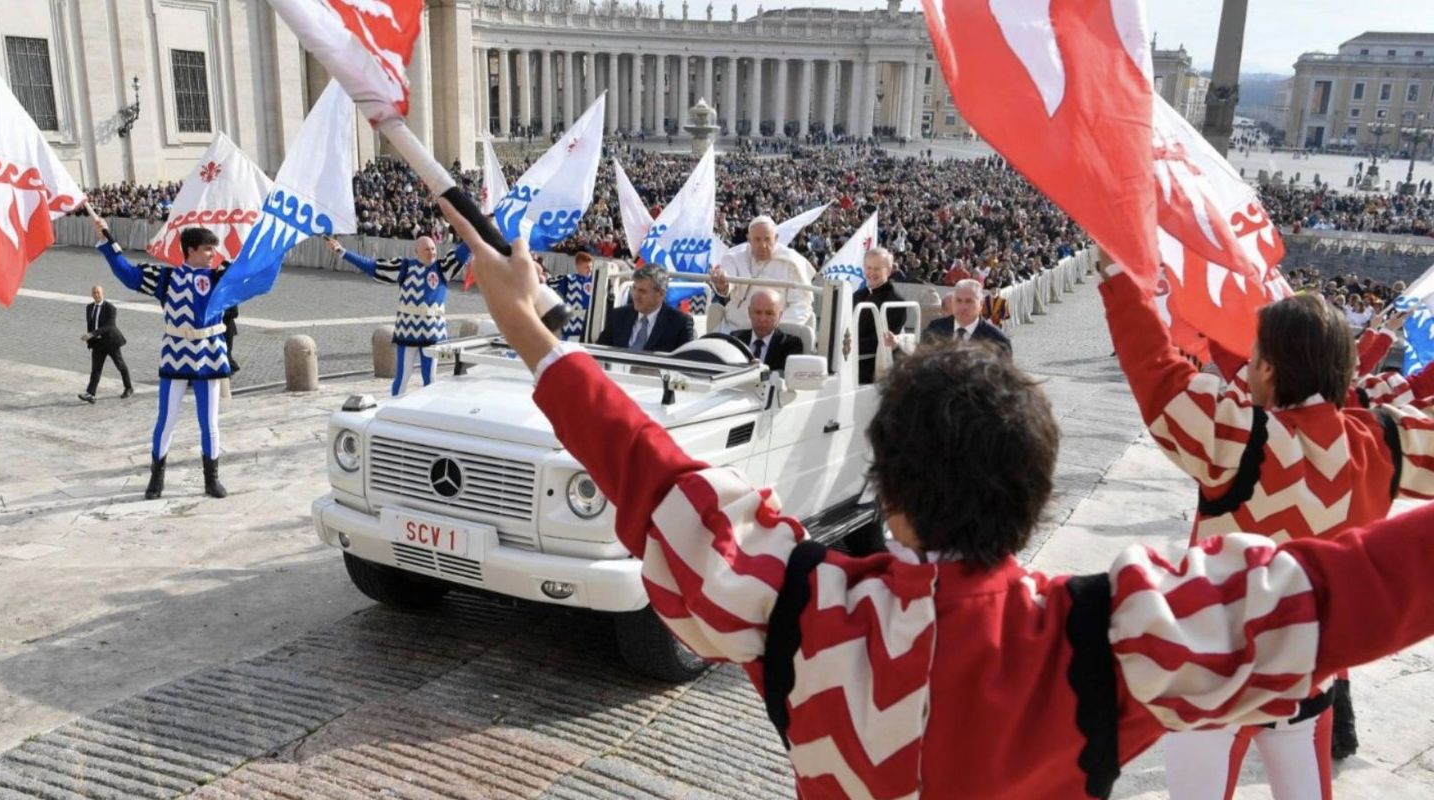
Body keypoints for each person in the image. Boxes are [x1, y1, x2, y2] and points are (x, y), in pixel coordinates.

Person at [439, 197, 1434, 798]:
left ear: (889, 492)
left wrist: (532, 325)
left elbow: (651, 470)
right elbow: (1356, 584)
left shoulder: (796, 609)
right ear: (1034, 495)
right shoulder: (1103, 641)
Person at [1099, 256, 1434, 798]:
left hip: (1217, 682)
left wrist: (1120, 277)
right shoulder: (1381, 443)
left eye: (1254, 355)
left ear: (1270, 369)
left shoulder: (1238, 437)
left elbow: (1159, 377)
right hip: (1309, 678)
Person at [93, 218, 230, 500]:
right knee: (166, 419)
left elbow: (254, 274)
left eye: (213, 249)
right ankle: (156, 478)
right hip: (176, 356)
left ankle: (211, 479)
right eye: (207, 249)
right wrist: (108, 241)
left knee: (210, 421)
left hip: (209, 354)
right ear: (190, 250)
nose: (212, 254)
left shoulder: (221, 276)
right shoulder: (167, 277)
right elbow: (129, 274)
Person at [328, 235, 465, 396]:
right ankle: (394, 409)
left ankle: (428, 413)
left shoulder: (443, 268)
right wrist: (343, 252)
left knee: (430, 379)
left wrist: (478, 227)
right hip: (408, 333)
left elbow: (463, 252)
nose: (431, 252)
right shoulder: (404, 267)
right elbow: (372, 266)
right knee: (402, 378)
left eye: (433, 248)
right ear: (417, 252)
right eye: (427, 249)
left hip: (433, 334)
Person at [709, 216, 816, 333]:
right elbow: (727, 280)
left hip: (777, 332)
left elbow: (801, 304)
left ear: (776, 239)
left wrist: (776, 331)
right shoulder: (735, 257)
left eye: (767, 239)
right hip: (736, 327)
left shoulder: (792, 262)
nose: (763, 245)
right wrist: (722, 282)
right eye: (757, 239)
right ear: (749, 239)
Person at [595, 265, 695, 352]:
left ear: (661, 293)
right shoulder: (618, 316)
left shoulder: (680, 324)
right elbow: (600, 352)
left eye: (642, 291)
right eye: (634, 288)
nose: (635, 295)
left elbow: (687, 365)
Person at [852, 247, 908, 384]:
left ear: (888, 271)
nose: (871, 273)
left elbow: (879, 342)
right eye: (868, 268)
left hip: (869, 367)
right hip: (848, 358)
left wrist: (847, 346)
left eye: (877, 269)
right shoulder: (857, 295)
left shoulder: (896, 302)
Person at [923, 279, 1013, 354]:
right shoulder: (935, 329)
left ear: (981, 304)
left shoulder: (997, 340)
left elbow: (1002, 374)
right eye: (958, 300)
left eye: (969, 301)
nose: (963, 307)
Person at [79, 284, 133, 403]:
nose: (96, 294)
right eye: (94, 292)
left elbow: (110, 326)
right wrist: (89, 338)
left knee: (120, 365)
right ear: (92, 294)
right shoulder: (89, 307)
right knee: (96, 369)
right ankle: (91, 394)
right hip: (97, 343)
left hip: (111, 341)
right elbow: (91, 324)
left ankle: (128, 388)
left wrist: (92, 333)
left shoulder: (110, 308)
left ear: (103, 294)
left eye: (98, 292)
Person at [730, 289, 803, 371]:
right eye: (758, 312)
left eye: (769, 313)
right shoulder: (735, 339)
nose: (762, 319)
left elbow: (786, 376)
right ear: (749, 312)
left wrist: (764, 371)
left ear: (779, 315)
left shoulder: (791, 345)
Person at [545, 251, 595, 341]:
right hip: (570, 330)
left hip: (590, 328)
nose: (590, 270)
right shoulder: (568, 280)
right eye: (587, 267)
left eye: (591, 267)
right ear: (578, 266)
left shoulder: (596, 280)